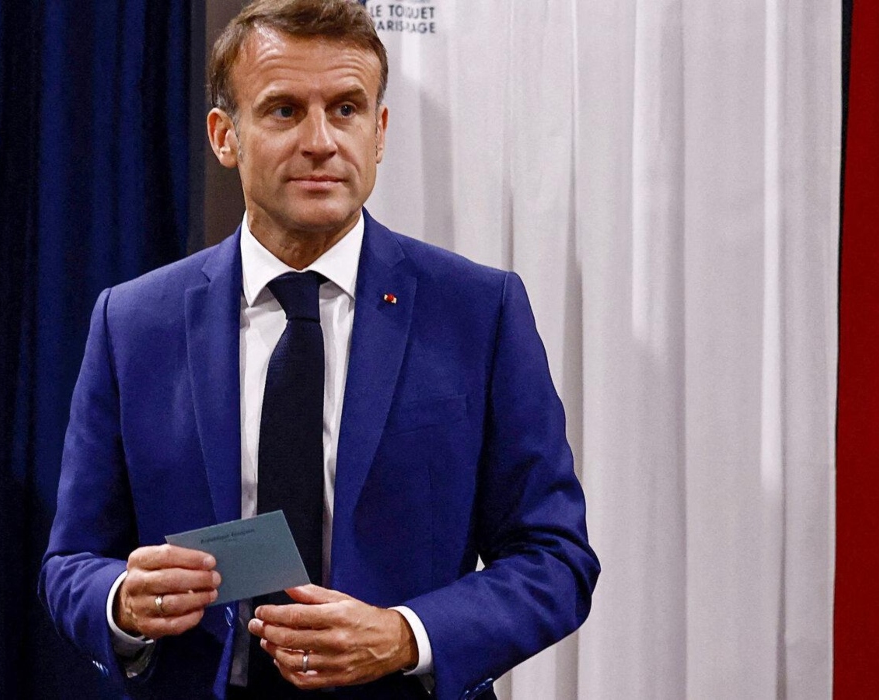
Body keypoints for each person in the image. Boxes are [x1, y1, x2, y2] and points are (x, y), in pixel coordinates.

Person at [38, 1, 599, 698]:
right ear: (224, 136)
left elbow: (555, 559)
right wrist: (122, 601)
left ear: (379, 131)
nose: (321, 141)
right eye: (283, 111)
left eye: (346, 109)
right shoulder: (133, 323)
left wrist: (406, 635)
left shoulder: (480, 312)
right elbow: (71, 563)